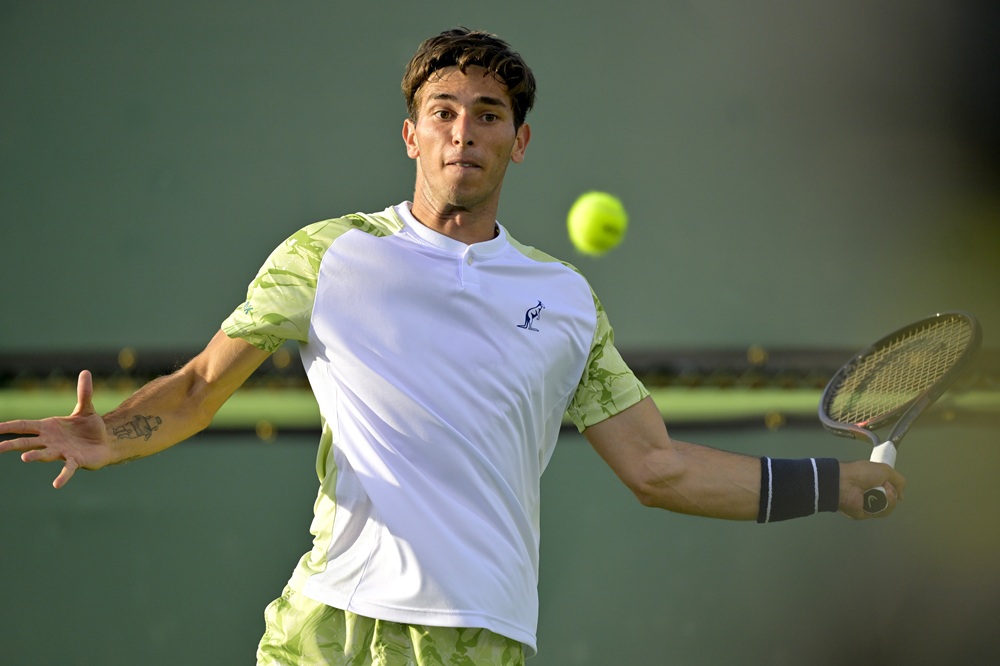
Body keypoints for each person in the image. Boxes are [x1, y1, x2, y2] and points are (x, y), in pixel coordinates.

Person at [0, 28, 904, 666]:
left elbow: (657, 468)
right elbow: (198, 387)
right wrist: (110, 433)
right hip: (330, 622)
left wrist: (832, 486)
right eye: (442, 112)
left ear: (520, 141)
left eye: (487, 113)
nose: (463, 131)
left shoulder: (565, 300)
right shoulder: (326, 255)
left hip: (478, 635)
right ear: (411, 134)